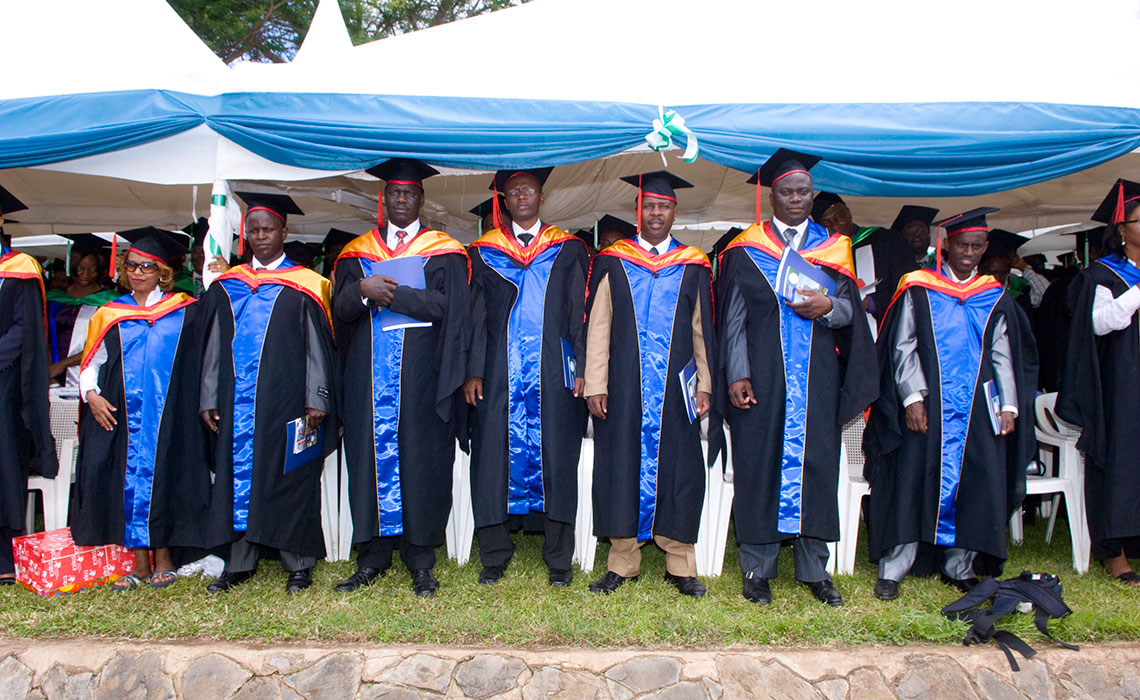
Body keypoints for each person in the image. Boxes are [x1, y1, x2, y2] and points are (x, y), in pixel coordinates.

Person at [718, 150, 877, 607]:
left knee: (818, 466)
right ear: (772, 197)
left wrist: (829, 307)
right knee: (759, 463)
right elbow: (733, 318)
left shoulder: (834, 249)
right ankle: (757, 567)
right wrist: (737, 373)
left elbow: (852, 314)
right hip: (762, 377)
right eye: (786, 192)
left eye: (803, 192)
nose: (795, 199)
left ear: (812, 196)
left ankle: (815, 570)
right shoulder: (747, 249)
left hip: (817, 379)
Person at [865, 207, 1037, 601]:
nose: (969, 253)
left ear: (985, 247)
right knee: (911, 484)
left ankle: (959, 565)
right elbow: (902, 346)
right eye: (962, 245)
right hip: (928, 406)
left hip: (978, 408)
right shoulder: (920, 288)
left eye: (977, 246)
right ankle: (895, 568)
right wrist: (912, 397)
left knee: (976, 485)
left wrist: (1008, 405)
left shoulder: (993, 295)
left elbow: (1002, 354)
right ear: (946, 245)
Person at [333, 158, 470, 597]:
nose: (402, 199)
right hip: (367, 379)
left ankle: (421, 559)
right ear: (384, 197)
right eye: (395, 192)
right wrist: (361, 291)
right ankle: (370, 558)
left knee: (422, 460)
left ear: (421, 199)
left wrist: (397, 295)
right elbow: (338, 311)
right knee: (367, 459)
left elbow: (453, 308)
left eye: (409, 193)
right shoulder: (356, 254)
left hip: (422, 377)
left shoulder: (444, 250)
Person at [198, 192, 338, 594]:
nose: (261, 236)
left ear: (283, 232)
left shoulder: (306, 284)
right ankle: (239, 563)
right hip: (235, 403)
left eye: (268, 229)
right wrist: (208, 396)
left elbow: (317, 347)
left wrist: (318, 397)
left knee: (291, 477)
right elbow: (213, 345)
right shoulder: (228, 285)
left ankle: (298, 562)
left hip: (288, 400)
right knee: (236, 477)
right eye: (254, 230)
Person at [585, 170, 715, 598]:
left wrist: (705, 383)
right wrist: (595, 384)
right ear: (638, 210)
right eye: (649, 206)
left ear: (675, 212)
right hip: (624, 386)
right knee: (620, 466)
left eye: (664, 206)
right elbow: (598, 326)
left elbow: (701, 329)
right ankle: (622, 562)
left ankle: (681, 563)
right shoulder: (613, 259)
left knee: (681, 470)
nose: (656, 213)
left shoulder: (693, 263)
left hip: (676, 388)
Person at [465, 167, 588, 587]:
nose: (522, 197)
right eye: (514, 191)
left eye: (529, 190)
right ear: (504, 200)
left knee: (558, 457)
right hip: (498, 372)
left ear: (541, 197)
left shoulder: (567, 248)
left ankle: (559, 558)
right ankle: (494, 554)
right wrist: (474, 371)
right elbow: (475, 317)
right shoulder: (483, 251)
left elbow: (577, 313)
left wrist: (580, 368)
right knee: (492, 458)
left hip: (552, 372)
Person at [72, 228, 210, 591]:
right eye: (131, 265)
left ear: (162, 272)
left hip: (170, 414)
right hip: (122, 413)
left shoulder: (185, 311)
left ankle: (164, 559)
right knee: (127, 481)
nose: (137, 272)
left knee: (166, 479)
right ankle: (138, 565)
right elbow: (91, 363)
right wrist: (91, 395)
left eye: (146, 266)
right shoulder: (109, 313)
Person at [1058, 179, 1140, 584]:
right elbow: (1100, 323)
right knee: (1120, 460)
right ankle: (1114, 552)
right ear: (1122, 229)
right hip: (1120, 383)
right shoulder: (1103, 274)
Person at [0, 185, 56, 585]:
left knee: (3, 465)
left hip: (4, 386)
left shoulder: (20, 269)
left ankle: (4, 555)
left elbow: (25, 329)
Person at [813, 192, 914, 323]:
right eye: (827, 223)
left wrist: (871, 302)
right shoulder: (821, 256)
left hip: (886, 326)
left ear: (848, 213)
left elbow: (907, 284)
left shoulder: (886, 239)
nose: (835, 226)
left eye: (839, 217)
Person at [46, 235, 118, 387]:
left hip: (92, 374)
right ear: (71, 267)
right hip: (52, 375)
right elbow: (44, 337)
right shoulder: (54, 298)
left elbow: (104, 344)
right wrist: (49, 368)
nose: (85, 275)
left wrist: (62, 365)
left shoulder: (110, 302)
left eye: (93, 270)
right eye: (80, 268)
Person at [890, 205, 939, 271]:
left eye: (922, 230)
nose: (917, 234)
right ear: (901, 237)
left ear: (929, 236)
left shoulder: (940, 268)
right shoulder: (892, 267)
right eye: (910, 231)